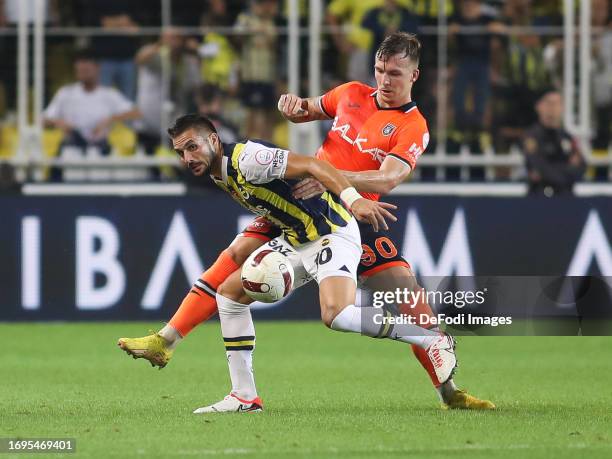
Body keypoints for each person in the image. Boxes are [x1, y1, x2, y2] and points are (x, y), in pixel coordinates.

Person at [118, 33, 494, 411]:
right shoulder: (350, 93)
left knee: (409, 305)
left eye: (395, 73)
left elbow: (388, 179)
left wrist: (335, 177)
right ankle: (171, 340)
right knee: (235, 258)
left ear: (415, 75)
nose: (385, 80)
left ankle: (449, 392)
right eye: (380, 70)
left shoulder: (413, 126)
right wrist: (294, 107)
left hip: (353, 214)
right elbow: (309, 109)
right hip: (302, 200)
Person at [43, 50, 141, 180]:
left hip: (101, 148)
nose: (83, 73)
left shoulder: (109, 94)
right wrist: (59, 123)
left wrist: (110, 120)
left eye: (87, 70)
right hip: (72, 146)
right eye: (80, 70)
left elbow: (136, 113)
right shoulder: (65, 93)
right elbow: (44, 119)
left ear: (97, 68)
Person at [522, 89, 585, 197]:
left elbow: (581, 166)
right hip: (540, 196)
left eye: (557, 103)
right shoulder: (531, 136)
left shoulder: (567, 137)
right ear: (538, 106)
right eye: (549, 103)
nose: (553, 108)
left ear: (562, 107)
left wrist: (554, 171)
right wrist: (567, 168)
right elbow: (539, 166)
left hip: (566, 197)